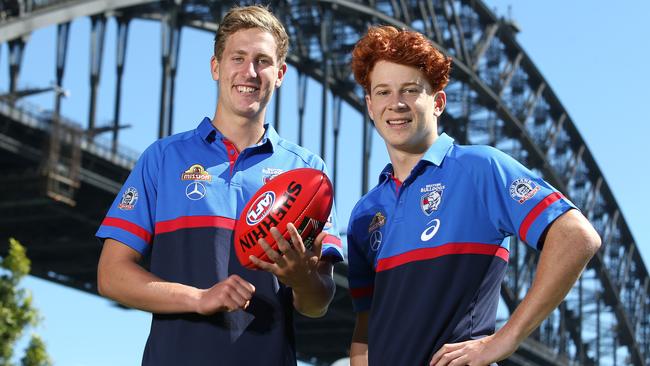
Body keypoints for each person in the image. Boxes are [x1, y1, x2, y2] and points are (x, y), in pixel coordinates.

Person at [95, 5, 343, 366]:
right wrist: (198, 298)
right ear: (216, 66)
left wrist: (302, 278)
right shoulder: (163, 159)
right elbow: (111, 276)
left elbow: (319, 303)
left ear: (281, 74)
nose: (250, 72)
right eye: (237, 58)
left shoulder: (309, 173)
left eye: (263, 61)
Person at [346, 26, 601, 366]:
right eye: (383, 92)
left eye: (411, 90)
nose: (397, 104)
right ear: (370, 105)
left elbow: (576, 236)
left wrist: (505, 339)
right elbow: (366, 326)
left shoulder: (479, 168)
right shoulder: (366, 212)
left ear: (438, 102)